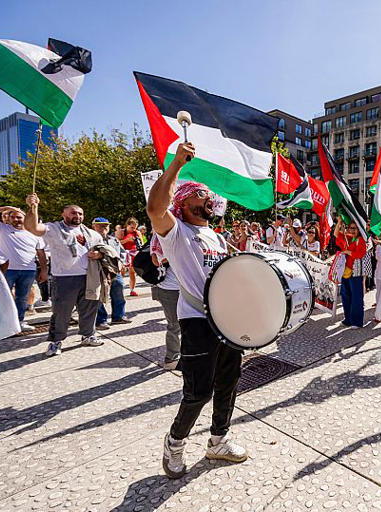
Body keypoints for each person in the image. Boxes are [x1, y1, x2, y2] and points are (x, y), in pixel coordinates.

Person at [147, 142, 246, 479]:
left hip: (227, 320)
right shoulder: (176, 231)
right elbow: (154, 209)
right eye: (200, 194)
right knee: (198, 391)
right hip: (197, 322)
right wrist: (175, 165)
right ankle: (174, 443)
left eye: (208, 195)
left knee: (229, 383)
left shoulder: (215, 237)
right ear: (184, 202)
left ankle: (218, 441)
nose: (208, 198)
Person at [24, 195, 105, 356]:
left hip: (89, 277)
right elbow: (32, 228)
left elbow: (104, 251)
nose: (77, 216)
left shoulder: (91, 233)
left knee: (89, 309)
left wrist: (98, 255)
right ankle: (56, 341)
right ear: (63, 214)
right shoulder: (53, 229)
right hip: (64, 278)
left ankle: (88, 335)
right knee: (61, 312)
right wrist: (33, 207)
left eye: (80, 214)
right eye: (73, 213)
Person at [0, 205, 48, 332]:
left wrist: (44, 271)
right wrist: (4, 208)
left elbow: (41, 253)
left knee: (22, 298)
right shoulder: (1, 228)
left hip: (29, 271)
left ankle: (19, 321)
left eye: (19, 217)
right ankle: (1, 323)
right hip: (7, 270)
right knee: (2, 296)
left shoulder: (34, 234)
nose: (16, 220)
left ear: (25, 218)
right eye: (12, 217)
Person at [91, 218, 131, 329]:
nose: (104, 228)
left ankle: (118, 316)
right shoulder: (90, 240)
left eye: (106, 226)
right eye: (100, 226)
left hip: (114, 271)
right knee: (99, 296)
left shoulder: (114, 240)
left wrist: (122, 263)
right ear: (93, 226)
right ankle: (100, 320)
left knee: (118, 293)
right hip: (98, 271)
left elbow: (122, 253)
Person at [150, 234, 182, 370]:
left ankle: (185, 354)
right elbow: (156, 261)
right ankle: (171, 358)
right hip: (170, 288)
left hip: (186, 287)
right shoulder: (160, 236)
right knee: (175, 324)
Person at [334, 217, 367, 328]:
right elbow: (336, 234)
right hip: (345, 271)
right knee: (346, 295)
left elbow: (360, 254)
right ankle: (348, 319)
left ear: (359, 229)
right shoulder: (348, 238)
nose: (352, 230)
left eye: (354, 228)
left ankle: (357, 321)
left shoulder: (361, 240)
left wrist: (347, 251)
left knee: (356, 297)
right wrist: (339, 222)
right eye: (350, 228)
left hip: (355, 272)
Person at [121, 217, 143, 296]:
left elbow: (141, 244)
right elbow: (116, 243)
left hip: (134, 253)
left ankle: (132, 290)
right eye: (132, 227)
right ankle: (119, 289)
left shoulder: (137, 232)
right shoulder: (122, 232)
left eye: (135, 227)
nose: (133, 229)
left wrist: (138, 241)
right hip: (123, 253)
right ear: (127, 225)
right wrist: (126, 240)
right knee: (121, 271)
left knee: (132, 273)